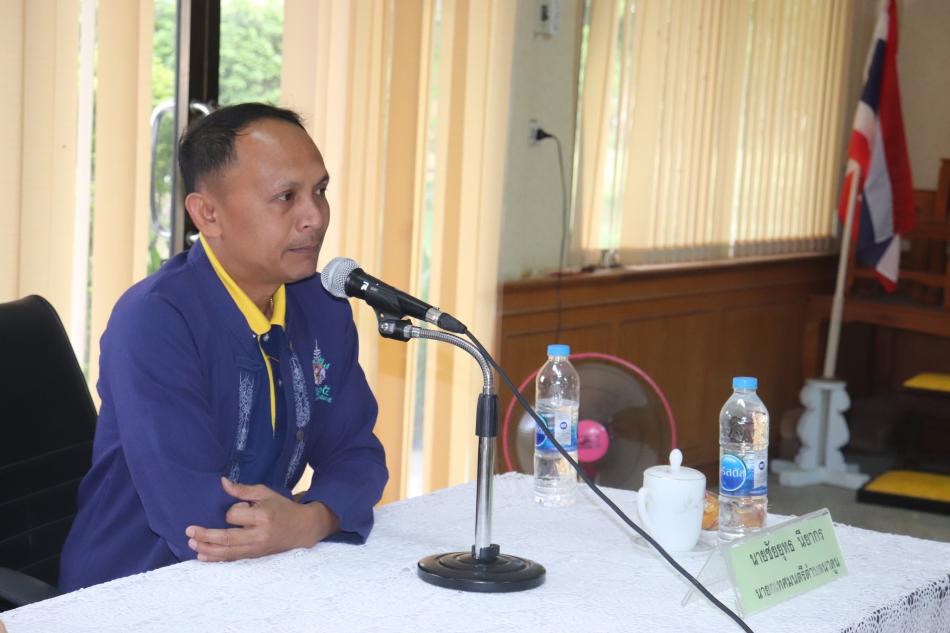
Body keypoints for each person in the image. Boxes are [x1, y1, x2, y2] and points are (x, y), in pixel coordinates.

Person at [59, 103, 388, 591]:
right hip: (131, 588)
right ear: (207, 214)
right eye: (286, 197)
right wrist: (298, 525)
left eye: (319, 191)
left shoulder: (321, 306)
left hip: (262, 573)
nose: (314, 217)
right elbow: (194, 517)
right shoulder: (154, 320)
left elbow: (357, 457)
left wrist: (312, 520)